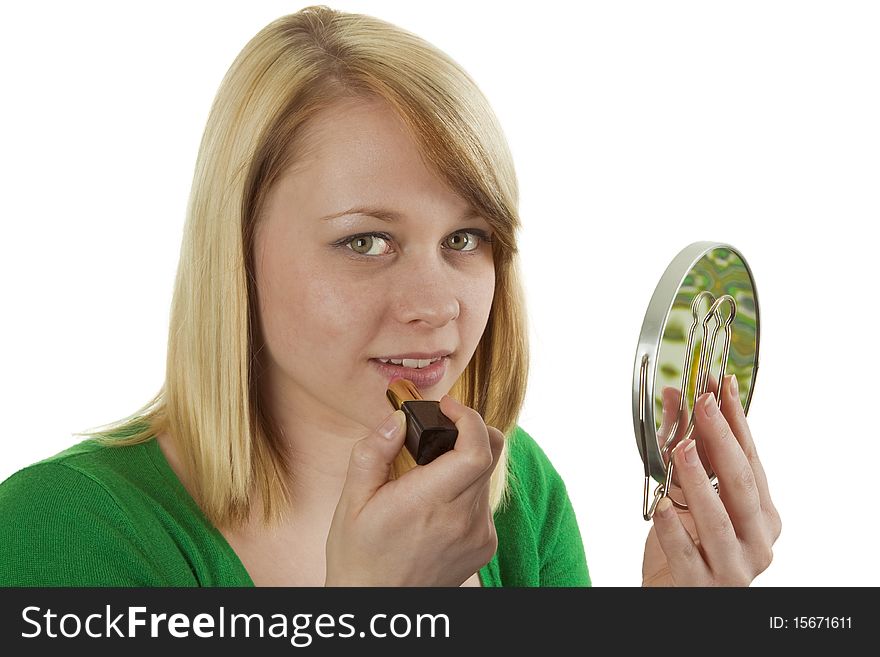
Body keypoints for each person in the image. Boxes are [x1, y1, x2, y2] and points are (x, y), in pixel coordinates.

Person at [0, 6, 778, 587]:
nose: (436, 305)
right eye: (366, 241)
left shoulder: (518, 494)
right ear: (234, 251)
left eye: (465, 238)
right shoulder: (60, 530)